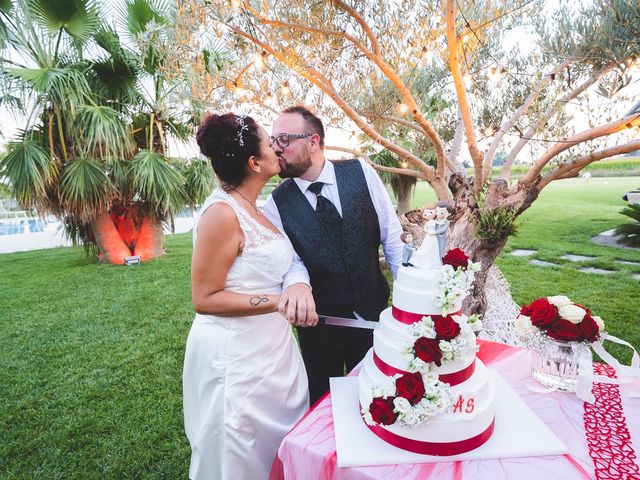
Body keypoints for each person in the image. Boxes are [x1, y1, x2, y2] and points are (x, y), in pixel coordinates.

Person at [183, 113, 309, 480]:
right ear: (254, 163)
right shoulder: (222, 213)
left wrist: (295, 286)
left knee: (280, 448)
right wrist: (278, 302)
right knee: (240, 455)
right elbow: (205, 298)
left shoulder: (259, 207)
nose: (278, 147)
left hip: (274, 353)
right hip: (234, 360)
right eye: (271, 143)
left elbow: (284, 265)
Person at [262, 105, 404, 403]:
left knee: (379, 400)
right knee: (323, 405)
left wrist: (409, 304)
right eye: (274, 141)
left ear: (313, 141)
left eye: (284, 140)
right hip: (318, 327)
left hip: (373, 317)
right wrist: (295, 283)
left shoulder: (360, 172)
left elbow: (392, 236)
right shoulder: (275, 204)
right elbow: (290, 260)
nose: (276, 149)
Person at [410, 204, 441, 269]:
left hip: (434, 236)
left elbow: (441, 224)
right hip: (429, 236)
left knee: (434, 248)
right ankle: (424, 262)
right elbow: (425, 229)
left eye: (431, 212)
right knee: (427, 247)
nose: (429, 215)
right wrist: (429, 232)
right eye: (426, 214)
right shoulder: (427, 223)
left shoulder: (435, 222)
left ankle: (433, 262)